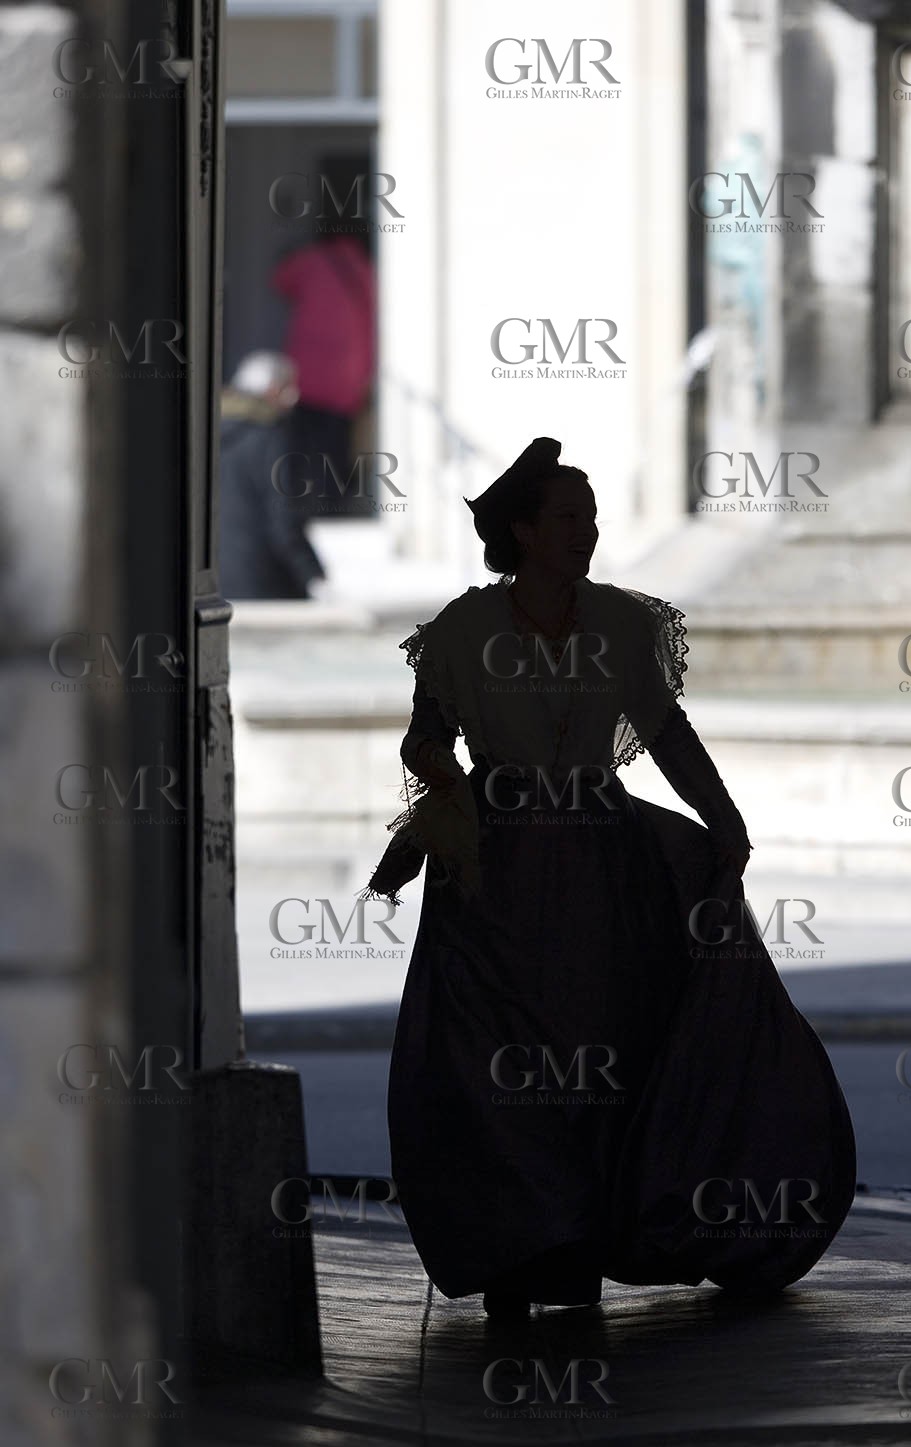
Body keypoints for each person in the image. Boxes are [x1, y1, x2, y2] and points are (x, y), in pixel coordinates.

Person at [366, 438, 855, 1318]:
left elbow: (665, 733)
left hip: (603, 867)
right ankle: (510, 1255)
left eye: (591, 518)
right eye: (568, 519)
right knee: (490, 1070)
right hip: (492, 875)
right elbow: (423, 732)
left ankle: (575, 1250)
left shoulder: (625, 626)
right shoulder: (462, 631)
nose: (586, 533)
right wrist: (436, 772)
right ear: (521, 531)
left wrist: (725, 819)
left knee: (598, 1059)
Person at [272, 231, 376, 516]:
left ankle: (297, 501)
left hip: (306, 373)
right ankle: (331, 504)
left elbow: (280, 281)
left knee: (301, 441)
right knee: (336, 443)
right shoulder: (365, 270)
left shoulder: (309, 261)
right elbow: (373, 325)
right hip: (347, 376)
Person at [218, 351, 326, 601]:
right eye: (288, 387)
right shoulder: (270, 438)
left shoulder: (210, 434)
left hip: (218, 582)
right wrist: (312, 575)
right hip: (266, 579)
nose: (294, 397)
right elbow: (283, 518)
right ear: (273, 390)